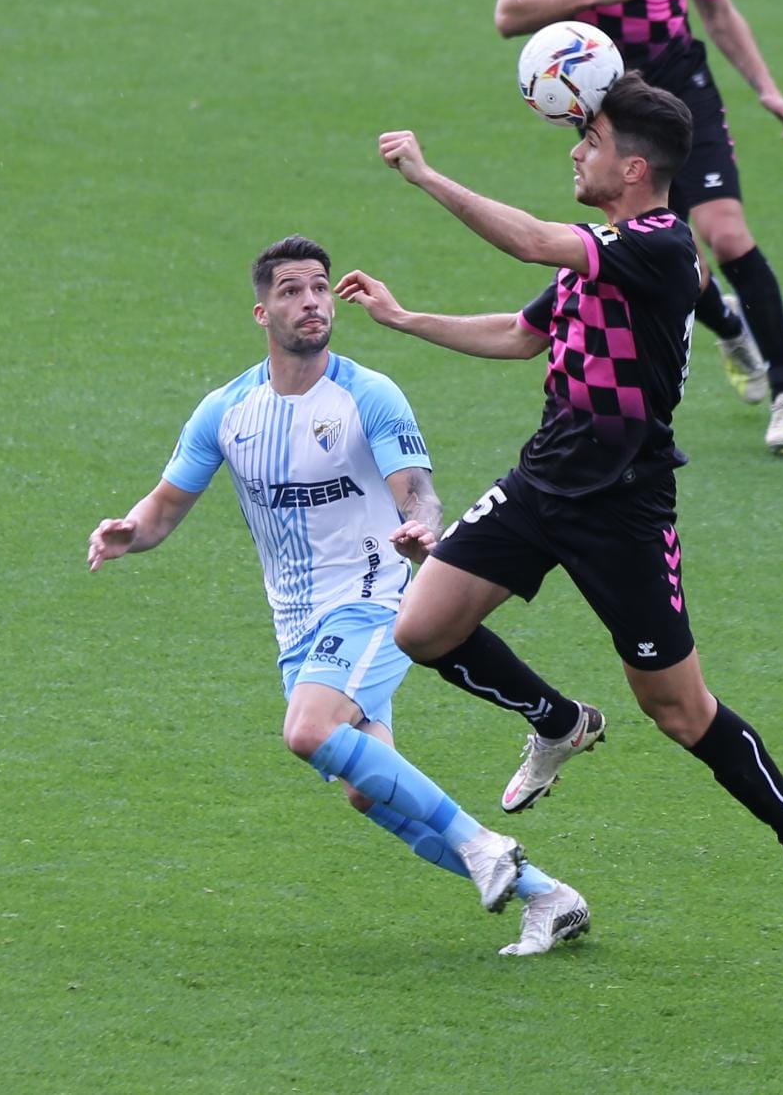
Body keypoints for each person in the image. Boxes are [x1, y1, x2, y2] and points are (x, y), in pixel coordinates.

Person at [335, 76, 783, 950]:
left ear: (635, 166)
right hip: (542, 484)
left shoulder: (661, 247)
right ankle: (558, 721)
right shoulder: (601, 251)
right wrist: (405, 318)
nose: (576, 150)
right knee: (422, 629)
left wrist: (427, 176)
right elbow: (521, 332)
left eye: (592, 140)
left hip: (623, 510)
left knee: (679, 710)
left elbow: (536, 243)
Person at [85, 235, 589, 957]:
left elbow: (416, 491)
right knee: (365, 787)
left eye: (319, 287)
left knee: (308, 732)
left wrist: (422, 530)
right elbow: (162, 511)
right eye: (292, 290)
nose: (312, 301)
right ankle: (548, 896)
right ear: (263, 312)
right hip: (298, 626)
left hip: (374, 600)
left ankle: (486, 847)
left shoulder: (367, 394)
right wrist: (125, 532)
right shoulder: (226, 411)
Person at [494, 0, 783, 454]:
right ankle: (725, 323)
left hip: (682, 84)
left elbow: (717, 10)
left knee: (725, 235)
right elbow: (509, 11)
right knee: (662, 249)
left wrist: (767, 88)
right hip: (612, 103)